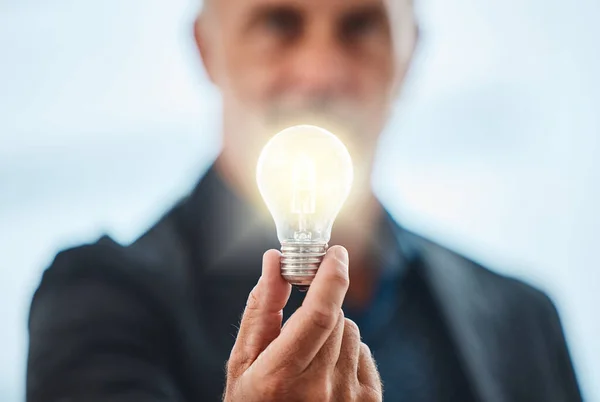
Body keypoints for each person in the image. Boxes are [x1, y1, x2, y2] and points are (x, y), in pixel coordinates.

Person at [26, 0, 582, 401]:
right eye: (278, 21)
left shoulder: (521, 318)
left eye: (361, 24)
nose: (321, 73)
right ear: (206, 47)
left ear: (410, 53)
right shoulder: (101, 302)